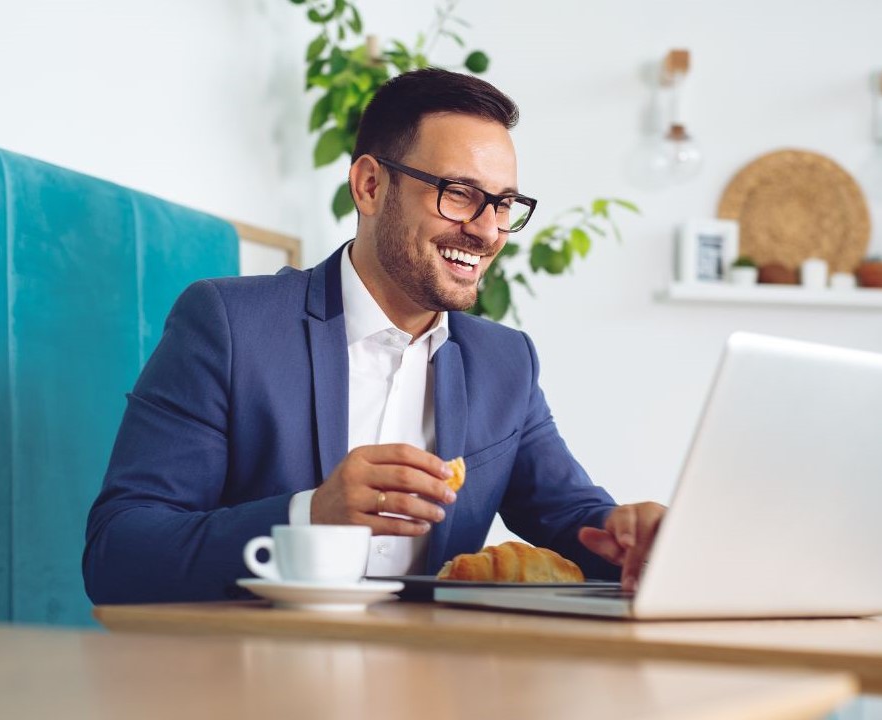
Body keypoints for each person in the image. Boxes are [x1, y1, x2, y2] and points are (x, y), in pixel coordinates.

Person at [83, 68, 665, 604]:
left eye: (504, 204)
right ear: (368, 186)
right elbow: (119, 551)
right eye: (459, 193)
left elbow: (573, 517)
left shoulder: (505, 362)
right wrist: (311, 514)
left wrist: (634, 536)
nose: (487, 230)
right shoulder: (230, 325)